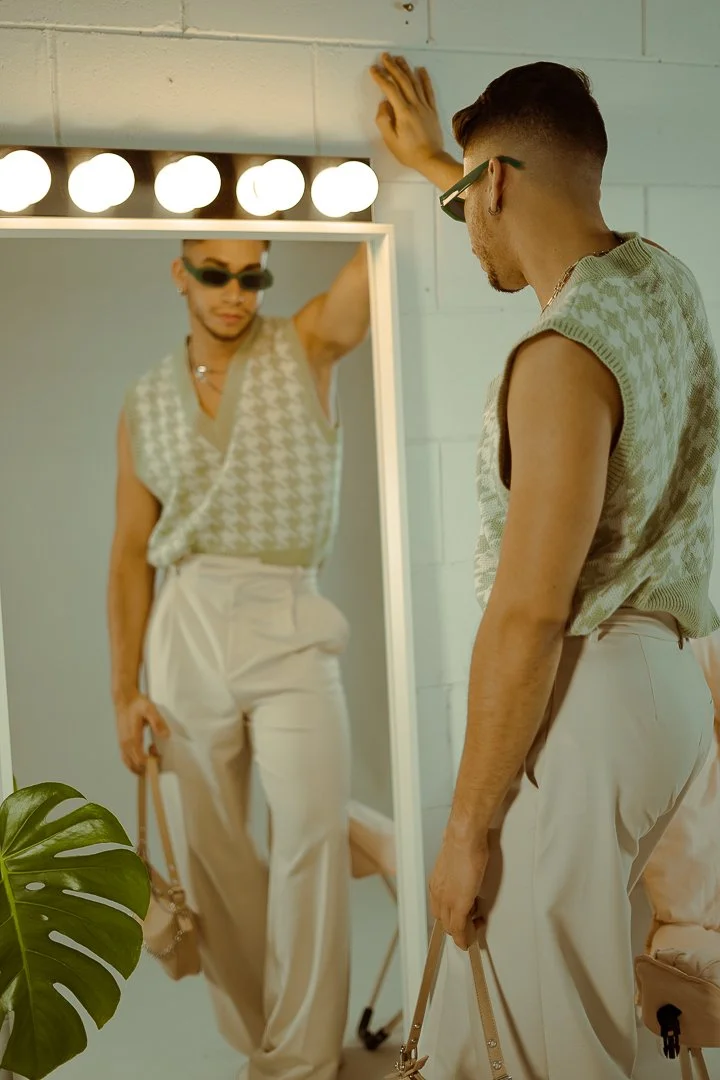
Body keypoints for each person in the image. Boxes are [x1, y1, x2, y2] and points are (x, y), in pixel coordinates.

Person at [371, 53, 720, 1079]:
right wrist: (445, 160)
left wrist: (466, 830)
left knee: (545, 1039)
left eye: (467, 198)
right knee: (598, 1009)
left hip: (589, 694)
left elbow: (527, 613)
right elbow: (528, 210)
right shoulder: (660, 279)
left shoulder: (560, 359)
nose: (464, 217)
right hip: (665, 695)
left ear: (501, 186)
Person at [107, 236, 370, 1080]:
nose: (234, 292)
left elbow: (373, 270)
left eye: (251, 273)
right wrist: (125, 689)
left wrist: (421, 169)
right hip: (184, 621)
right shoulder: (144, 400)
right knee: (214, 863)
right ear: (178, 272)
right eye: (213, 272)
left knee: (310, 837)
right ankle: (272, 1043)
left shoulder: (305, 346)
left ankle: (301, 1065)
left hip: (288, 607)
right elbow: (128, 553)